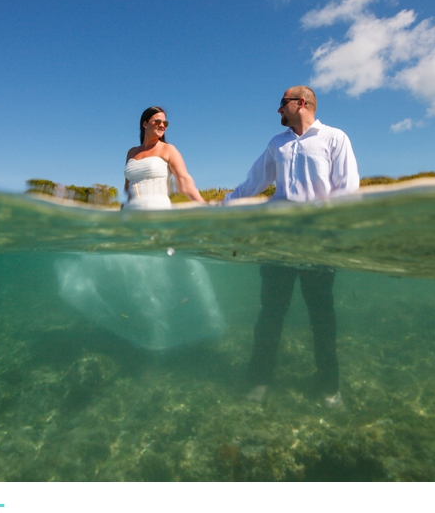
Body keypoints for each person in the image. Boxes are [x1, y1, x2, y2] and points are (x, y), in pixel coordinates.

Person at [226, 85, 359, 409]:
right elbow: (253, 181)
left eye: (282, 104)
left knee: (322, 321)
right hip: (278, 245)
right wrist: (224, 206)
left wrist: (328, 231)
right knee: (270, 317)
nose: (278, 110)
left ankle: (330, 389)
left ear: (301, 103)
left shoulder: (334, 138)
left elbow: (348, 189)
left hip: (318, 246)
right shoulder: (277, 144)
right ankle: (259, 382)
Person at [123, 106, 206, 210]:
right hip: (131, 214)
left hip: (159, 213)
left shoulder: (169, 149)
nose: (162, 125)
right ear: (145, 124)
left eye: (165, 123)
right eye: (157, 121)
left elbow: (185, 181)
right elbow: (127, 189)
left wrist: (205, 208)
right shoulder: (131, 153)